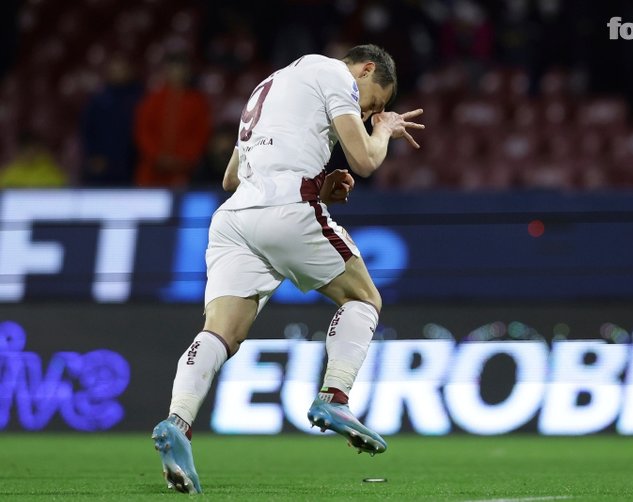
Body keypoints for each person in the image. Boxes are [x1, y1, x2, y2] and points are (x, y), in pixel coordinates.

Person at [151, 44, 424, 494]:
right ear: (366, 68)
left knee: (222, 333)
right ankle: (334, 397)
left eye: (375, 111)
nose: (367, 110)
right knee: (364, 298)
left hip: (234, 218)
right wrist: (385, 130)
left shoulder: (269, 85)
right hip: (285, 208)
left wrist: (319, 183)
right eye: (373, 100)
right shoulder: (336, 75)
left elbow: (230, 179)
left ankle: (177, 422)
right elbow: (367, 161)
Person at [134, 51, 212, 187]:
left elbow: (201, 134)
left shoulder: (197, 102)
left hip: (184, 172)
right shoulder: (152, 100)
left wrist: (182, 159)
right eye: (173, 68)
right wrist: (156, 156)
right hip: (151, 171)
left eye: (181, 69)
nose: (177, 73)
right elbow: (143, 131)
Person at [79, 54, 143, 186]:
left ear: (130, 71)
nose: (118, 74)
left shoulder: (140, 99)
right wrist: (93, 155)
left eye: (122, 69)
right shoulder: (98, 100)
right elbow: (87, 130)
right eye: (114, 70)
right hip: (102, 164)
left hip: (131, 163)